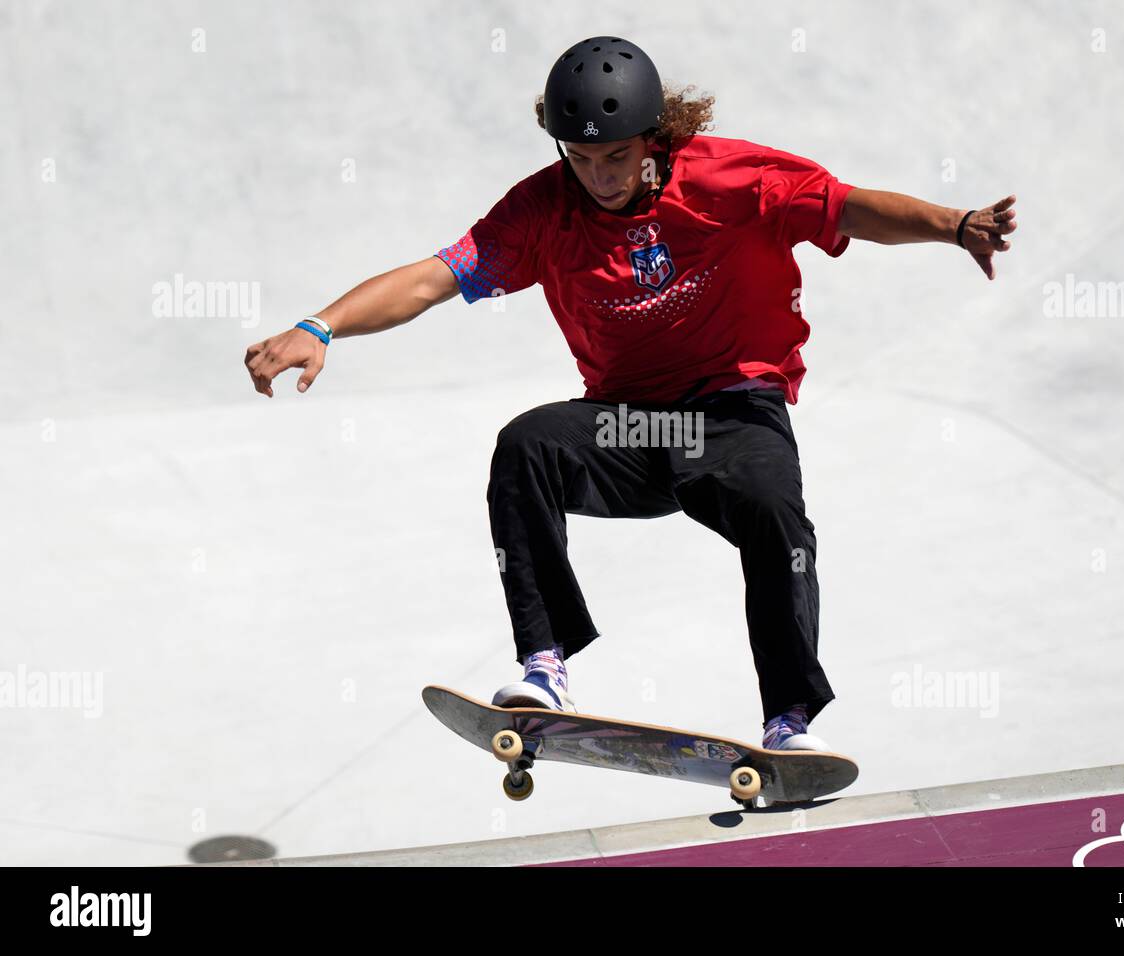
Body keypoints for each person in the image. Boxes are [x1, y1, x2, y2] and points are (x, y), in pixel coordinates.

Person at [243, 36, 1016, 752]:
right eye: (581, 159)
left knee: (774, 511)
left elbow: (845, 206)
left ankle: (788, 720)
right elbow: (431, 278)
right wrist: (323, 325)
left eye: (617, 157)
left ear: (656, 139)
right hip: (635, 434)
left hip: (734, 413)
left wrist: (956, 225)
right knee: (528, 444)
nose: (601, 177)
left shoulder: (729, 178)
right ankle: (544, 666)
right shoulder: (541, 211)